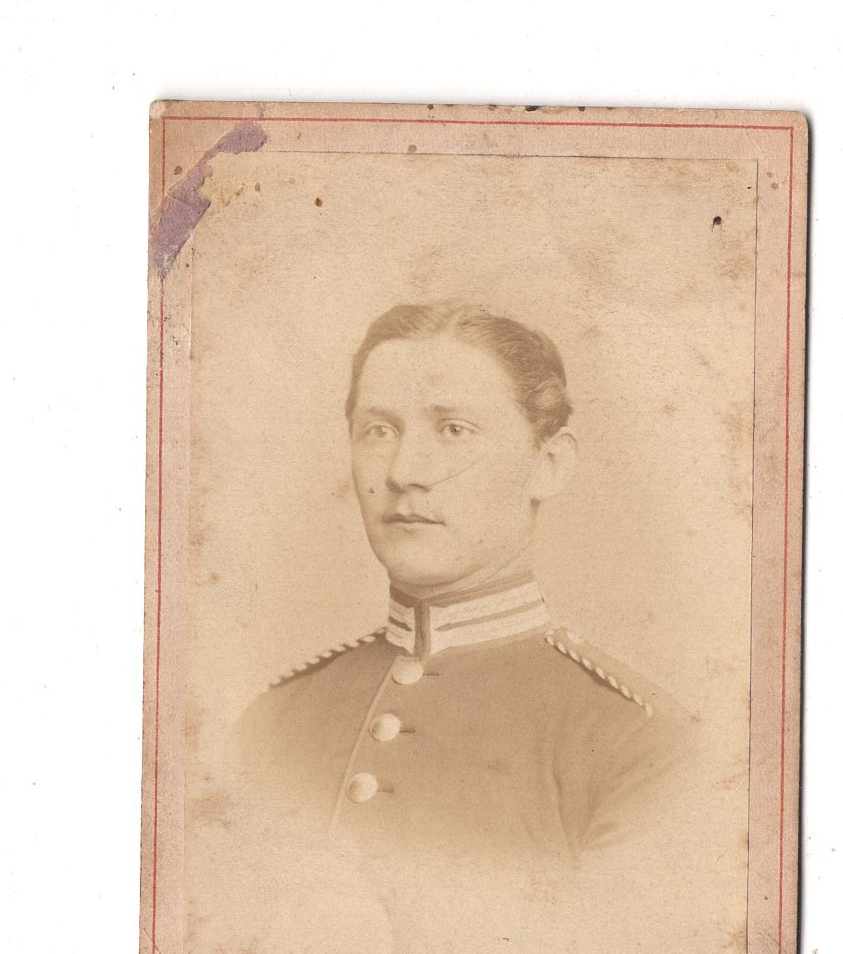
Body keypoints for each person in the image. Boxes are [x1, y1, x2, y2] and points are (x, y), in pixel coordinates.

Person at [237, 301, 697, 866]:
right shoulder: (270, 723)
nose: (404, 471)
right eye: (379, 430)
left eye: (454, 430)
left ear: (549, 464)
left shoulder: (640, 744)